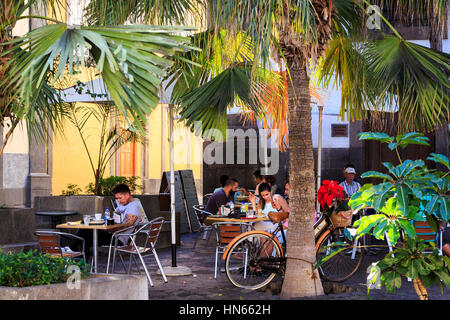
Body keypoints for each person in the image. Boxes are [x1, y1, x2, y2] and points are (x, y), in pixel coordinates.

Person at [63, 183, 144, 261]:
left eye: (120, 198)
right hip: (112, 235)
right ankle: (82, 263)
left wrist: (107, 228)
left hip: (118, 239)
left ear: (127, 195)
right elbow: (114, 219)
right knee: (84, 235)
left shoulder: (134, 207)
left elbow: (126, 225)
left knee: (85, 232)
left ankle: (71, 248)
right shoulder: (123, 205)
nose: (118, 201)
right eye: (117, 199)